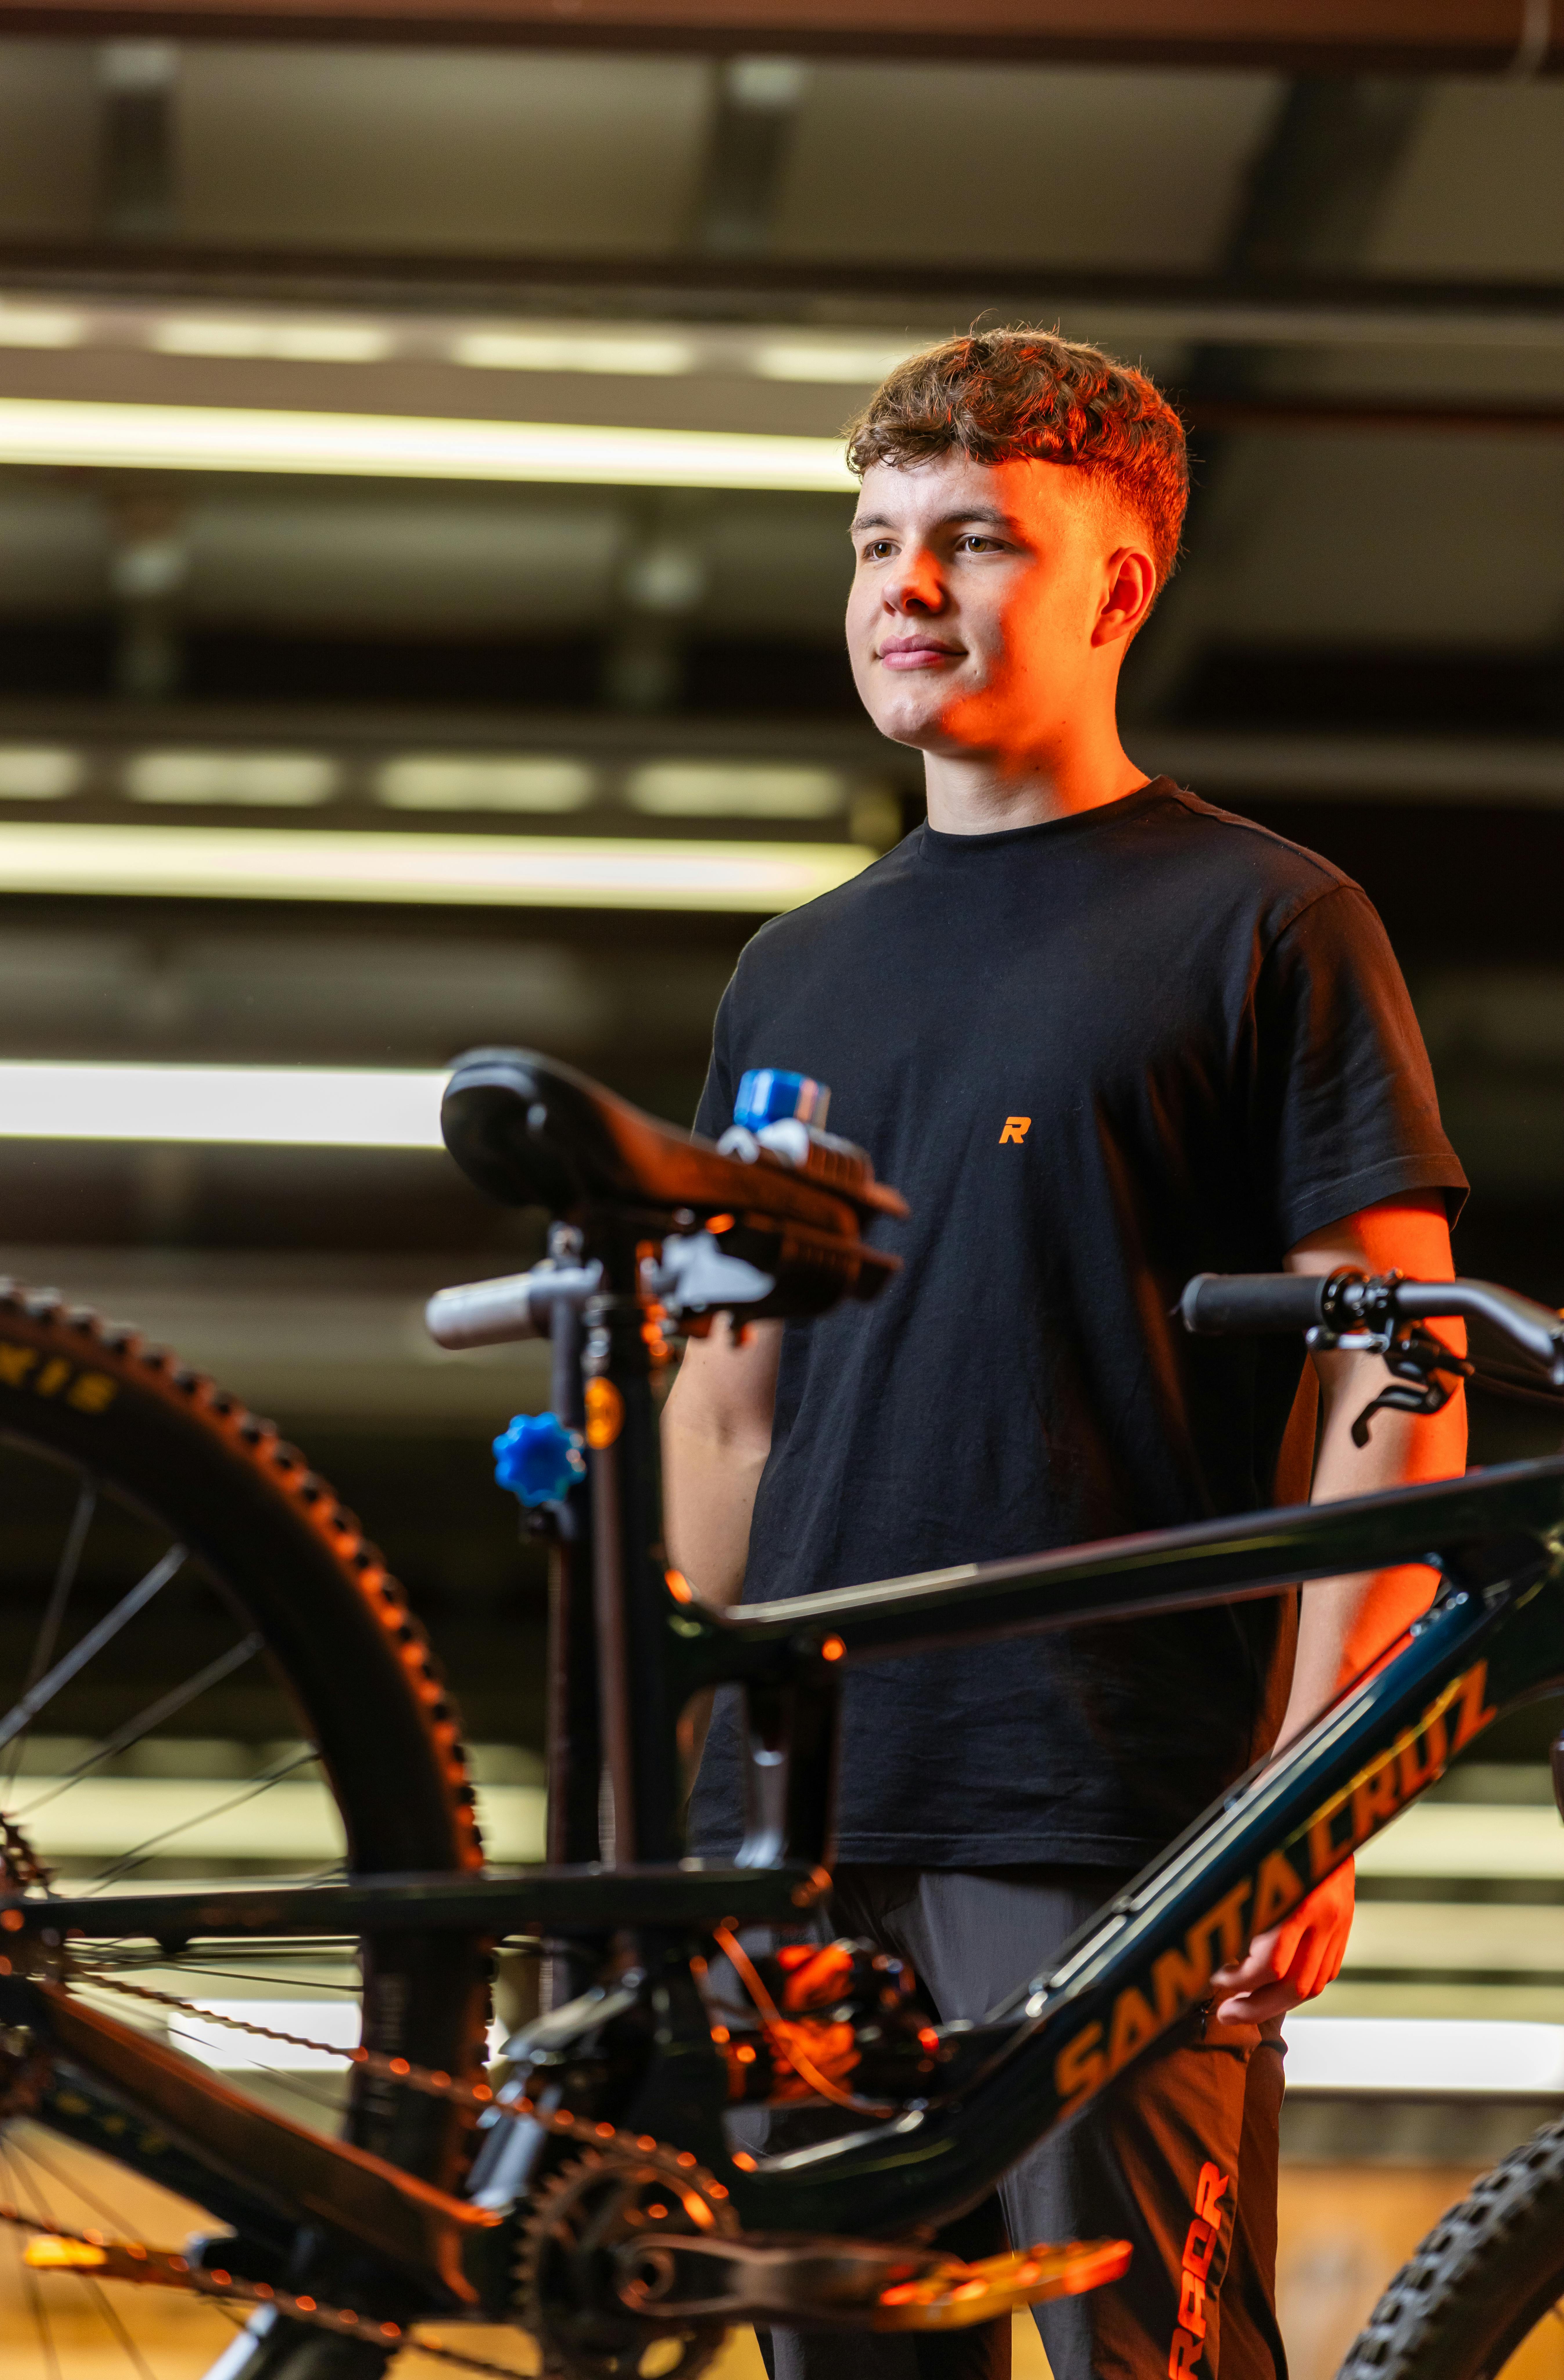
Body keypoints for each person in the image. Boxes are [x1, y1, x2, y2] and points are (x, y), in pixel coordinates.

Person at [661, 329, 1468, 2380]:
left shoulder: (1263, 922)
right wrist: (687, 1799)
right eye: (873, 541)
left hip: (1116, 1815)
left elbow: (1391, 1372)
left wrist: (1308, 1792)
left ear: (1114, 588)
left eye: (973, 542)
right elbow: (730, 1403)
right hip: (803, 1846)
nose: (903, 591)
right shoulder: (795, 968)